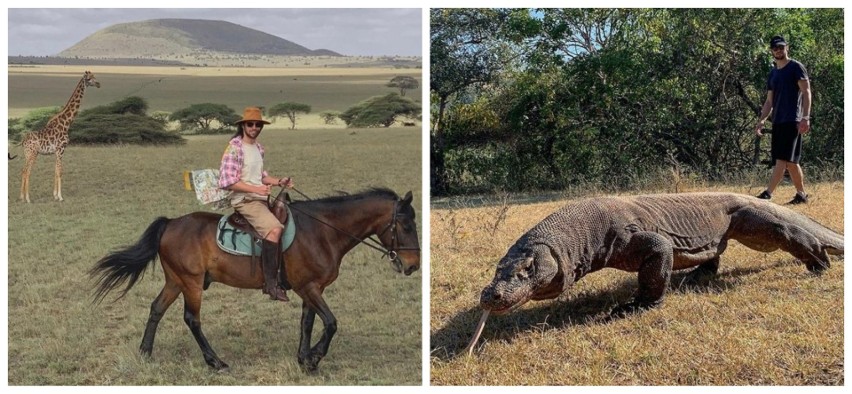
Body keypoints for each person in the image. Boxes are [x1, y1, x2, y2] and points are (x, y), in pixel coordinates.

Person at [219, 107, 294, 301]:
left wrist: (278, 182)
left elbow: (261, 176)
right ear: (243, 125)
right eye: (250, 124)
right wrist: (256, 190)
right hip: (245, 200)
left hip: (259, 198)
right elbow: (227, 181)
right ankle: (271, 284)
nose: (254, 127)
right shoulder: (234, 148)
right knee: (275, 229)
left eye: (258, 124)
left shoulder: (259, 148)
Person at [755, 35, 812, 204]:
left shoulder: (796, 67)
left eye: (781, 47)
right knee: (791, 162)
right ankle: (801, 195)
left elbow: (807, 92)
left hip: (792, 120)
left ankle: (767, 194)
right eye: (775, 48)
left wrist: (806, 117)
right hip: (778, 121)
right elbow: (769, 101)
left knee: (781, 159)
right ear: (771, 51)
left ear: (787, 47)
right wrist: (762, 120)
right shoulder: (773, 73)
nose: (778, 50)